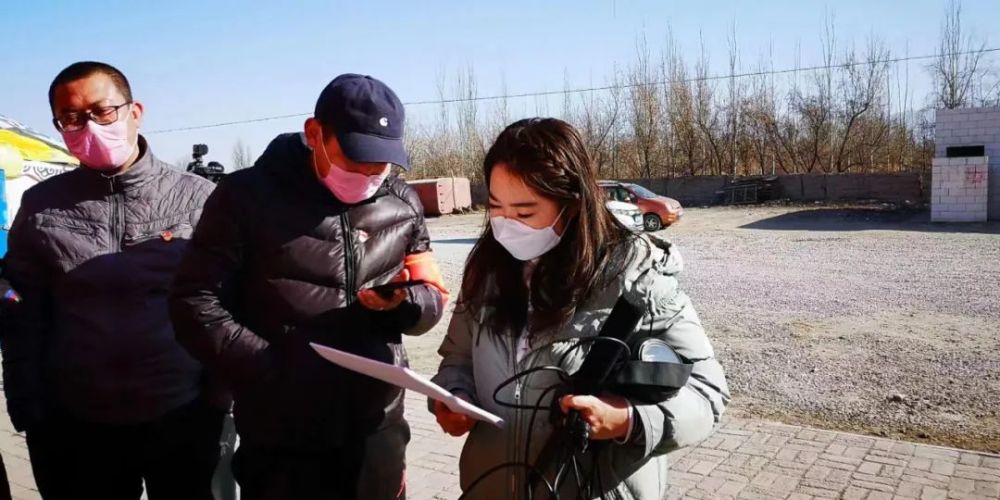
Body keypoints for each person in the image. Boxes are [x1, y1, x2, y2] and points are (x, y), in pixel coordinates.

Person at [169, 73, 447, 500]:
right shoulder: (245, 197)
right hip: (282, 429)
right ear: (314, 134)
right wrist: (267, 367)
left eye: (383, 162)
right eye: (357, 159)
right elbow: (194, 301)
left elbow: (432, 297)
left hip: (377, 424)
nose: (372, 173)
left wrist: (406, 304)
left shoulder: (403, 202)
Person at [430, 118, 730, 499]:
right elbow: (457, 360)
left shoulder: (637, 278)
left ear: (571, 206)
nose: (506, 226)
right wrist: (453, 397)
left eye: (524, 213)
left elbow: (708, 393)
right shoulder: (487, 270)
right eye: (495, 207)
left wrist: (627, 420)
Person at [0, 61, 225, 500]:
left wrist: (221, 399)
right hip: (77, 422)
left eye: (102, 111)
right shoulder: (42, 205)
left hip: (183, 413)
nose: (88, 126)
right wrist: (28, 407)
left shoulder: (199, 199)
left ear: (134, 111)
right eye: (70, 117)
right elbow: (23, 314)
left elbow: (229, 301)